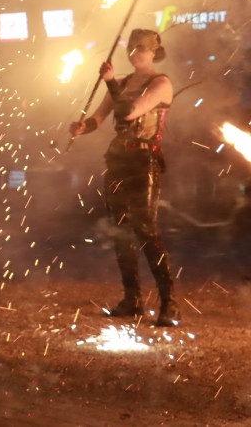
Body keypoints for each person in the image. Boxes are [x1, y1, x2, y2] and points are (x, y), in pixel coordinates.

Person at [69, 28, 179, 327]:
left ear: (155, 51)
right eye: (132, 49)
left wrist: (109, 83)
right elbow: (100, 117)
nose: (136, 53)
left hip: (145, 161)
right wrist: (84, 127)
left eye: (142, 48)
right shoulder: (124, 82)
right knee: (120, 230)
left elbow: (129, 111)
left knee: (145, 229)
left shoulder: (162, 83)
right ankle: (133, 299)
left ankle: (169, 302)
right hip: (118, 159)